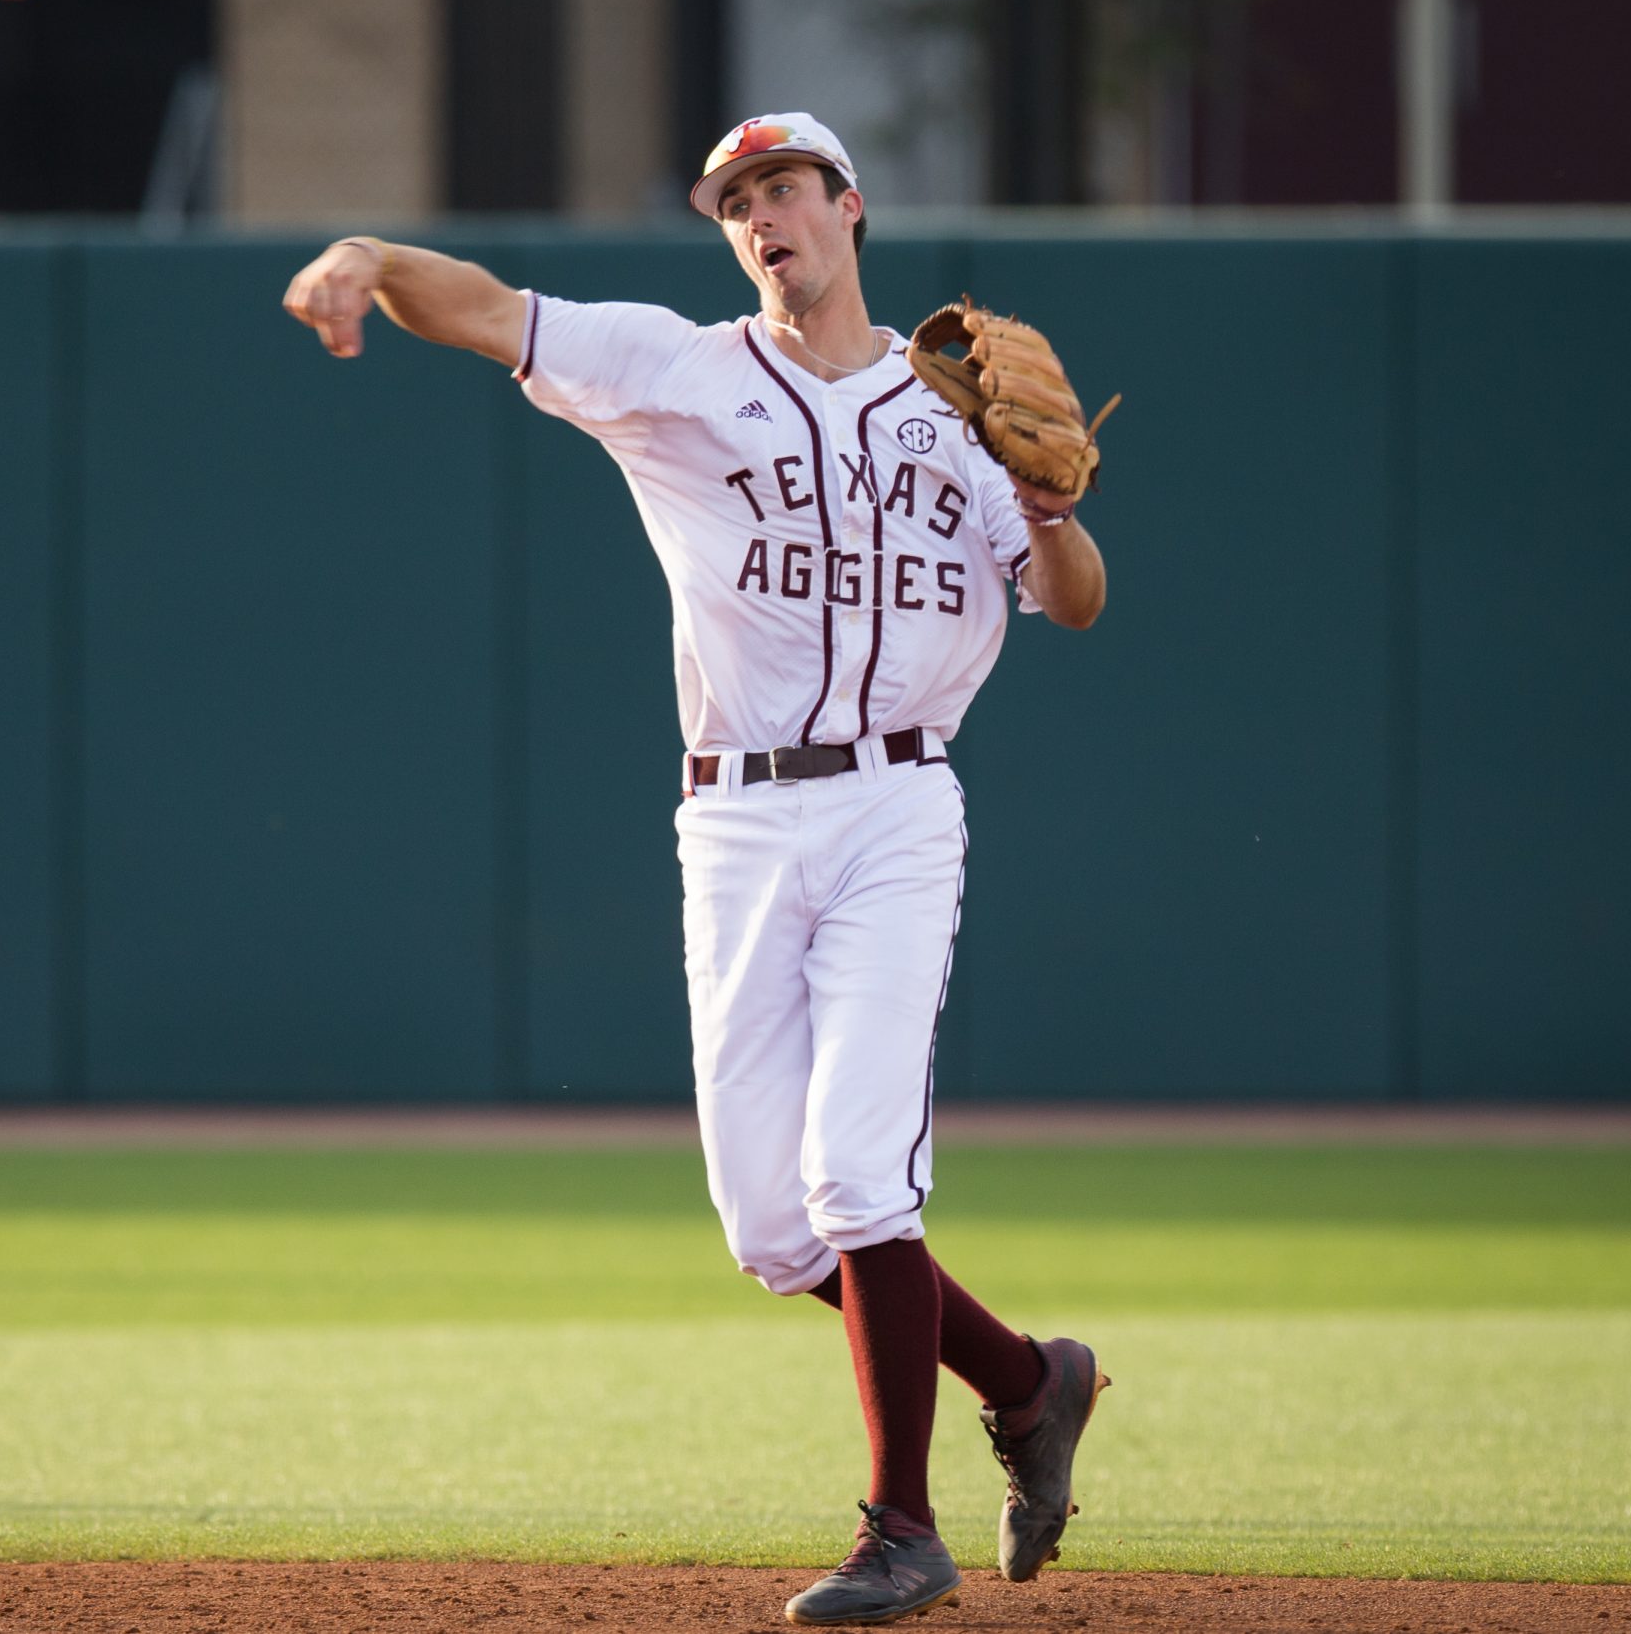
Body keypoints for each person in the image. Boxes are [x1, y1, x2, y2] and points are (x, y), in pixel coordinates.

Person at [282, 114, 1110, 1624]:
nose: (764, 217)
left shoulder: (953, 418)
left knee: (859, 1174)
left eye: (787, 189)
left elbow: (1078, 600)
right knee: (775, 1230)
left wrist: (1050, 508)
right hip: (732, 820)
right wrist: (365, 259)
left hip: (896, 813)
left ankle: (899, 1525)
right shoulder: (680, 367)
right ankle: (1027, 1379)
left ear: (849, 209)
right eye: (738, 204)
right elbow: (484, 308)